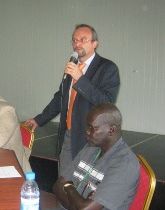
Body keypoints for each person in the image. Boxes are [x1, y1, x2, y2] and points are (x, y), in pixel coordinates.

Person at [25, 24, 120, 173]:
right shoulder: (73, 66)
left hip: (91, 140)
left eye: (83, 39)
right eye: (74, 40)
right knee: (63, 183)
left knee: (83, 187)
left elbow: (107, 102)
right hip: (68, 134)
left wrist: (80, 79)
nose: (77, 44)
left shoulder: (107, 68)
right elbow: (61, 97)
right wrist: (39, 119)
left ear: (95, 43)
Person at [53, 103, 139, 210]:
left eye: (92, 127)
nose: (87, 131)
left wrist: (68, 186)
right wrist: (75, 199)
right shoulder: (90, 148)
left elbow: (85, 208)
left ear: (111, 129)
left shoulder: (125, 164)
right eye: (87, 126)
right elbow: (57, 185)